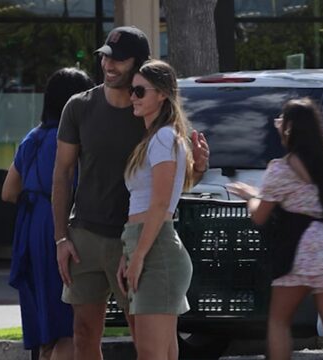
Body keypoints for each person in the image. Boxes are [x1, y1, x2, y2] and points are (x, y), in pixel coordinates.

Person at [52, 26, 209, 360]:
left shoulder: (150, 114)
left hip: (138, 240)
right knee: (83, 333)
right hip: (85, 235)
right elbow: (62, 174)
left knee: (147, 339)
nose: (109, 65)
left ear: (140, 64)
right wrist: (60, 238)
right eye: (106, 56)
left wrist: (196, 169)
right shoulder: (79, 107)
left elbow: (165, 189)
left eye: (119, 60)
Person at [2, 67, 94, 360]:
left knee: (44, 326)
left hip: (29, 230)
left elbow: (7, 192)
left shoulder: (33, 137)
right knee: (69, 326)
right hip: (62, 227)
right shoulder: (75, 140)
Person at [227, 98, 323, 360]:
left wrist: (251, 196)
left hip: (298, 250)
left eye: (280, 121)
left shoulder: (281, 169)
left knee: (279, 321)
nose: (277, 126)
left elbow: (260, 216)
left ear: (289, 128)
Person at [119, 59, 194, 359]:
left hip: (157, 249)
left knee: (151, 353)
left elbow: (161, 203)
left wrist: (137, 257)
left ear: (161, 94)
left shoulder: (163, 137)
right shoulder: (155, 138)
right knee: (161, 352)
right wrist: (129, 254)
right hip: (146, 244)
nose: (133, 97)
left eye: (140, 91)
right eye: (131, 91)